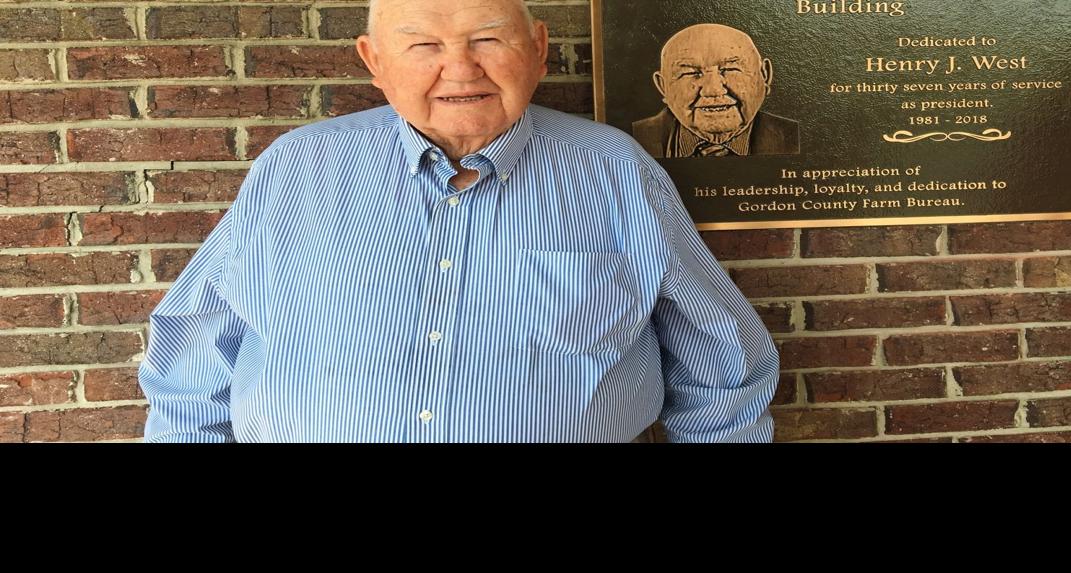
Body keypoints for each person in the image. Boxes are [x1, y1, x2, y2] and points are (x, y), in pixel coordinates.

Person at [138, 0, 778, 442]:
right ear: (373, 59)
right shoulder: (297, 168)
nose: (461, 67)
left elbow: (722, 360)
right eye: (423, 45)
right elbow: (192, 353)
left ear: (537, 48)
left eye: (487, 38)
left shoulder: (615, 169)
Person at [632, 23, 800, 157]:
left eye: (731, 69)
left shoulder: (795, 138)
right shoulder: (630, 142)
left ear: (765, 75)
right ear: (663, 86)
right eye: (690, 72)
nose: (712, 90)